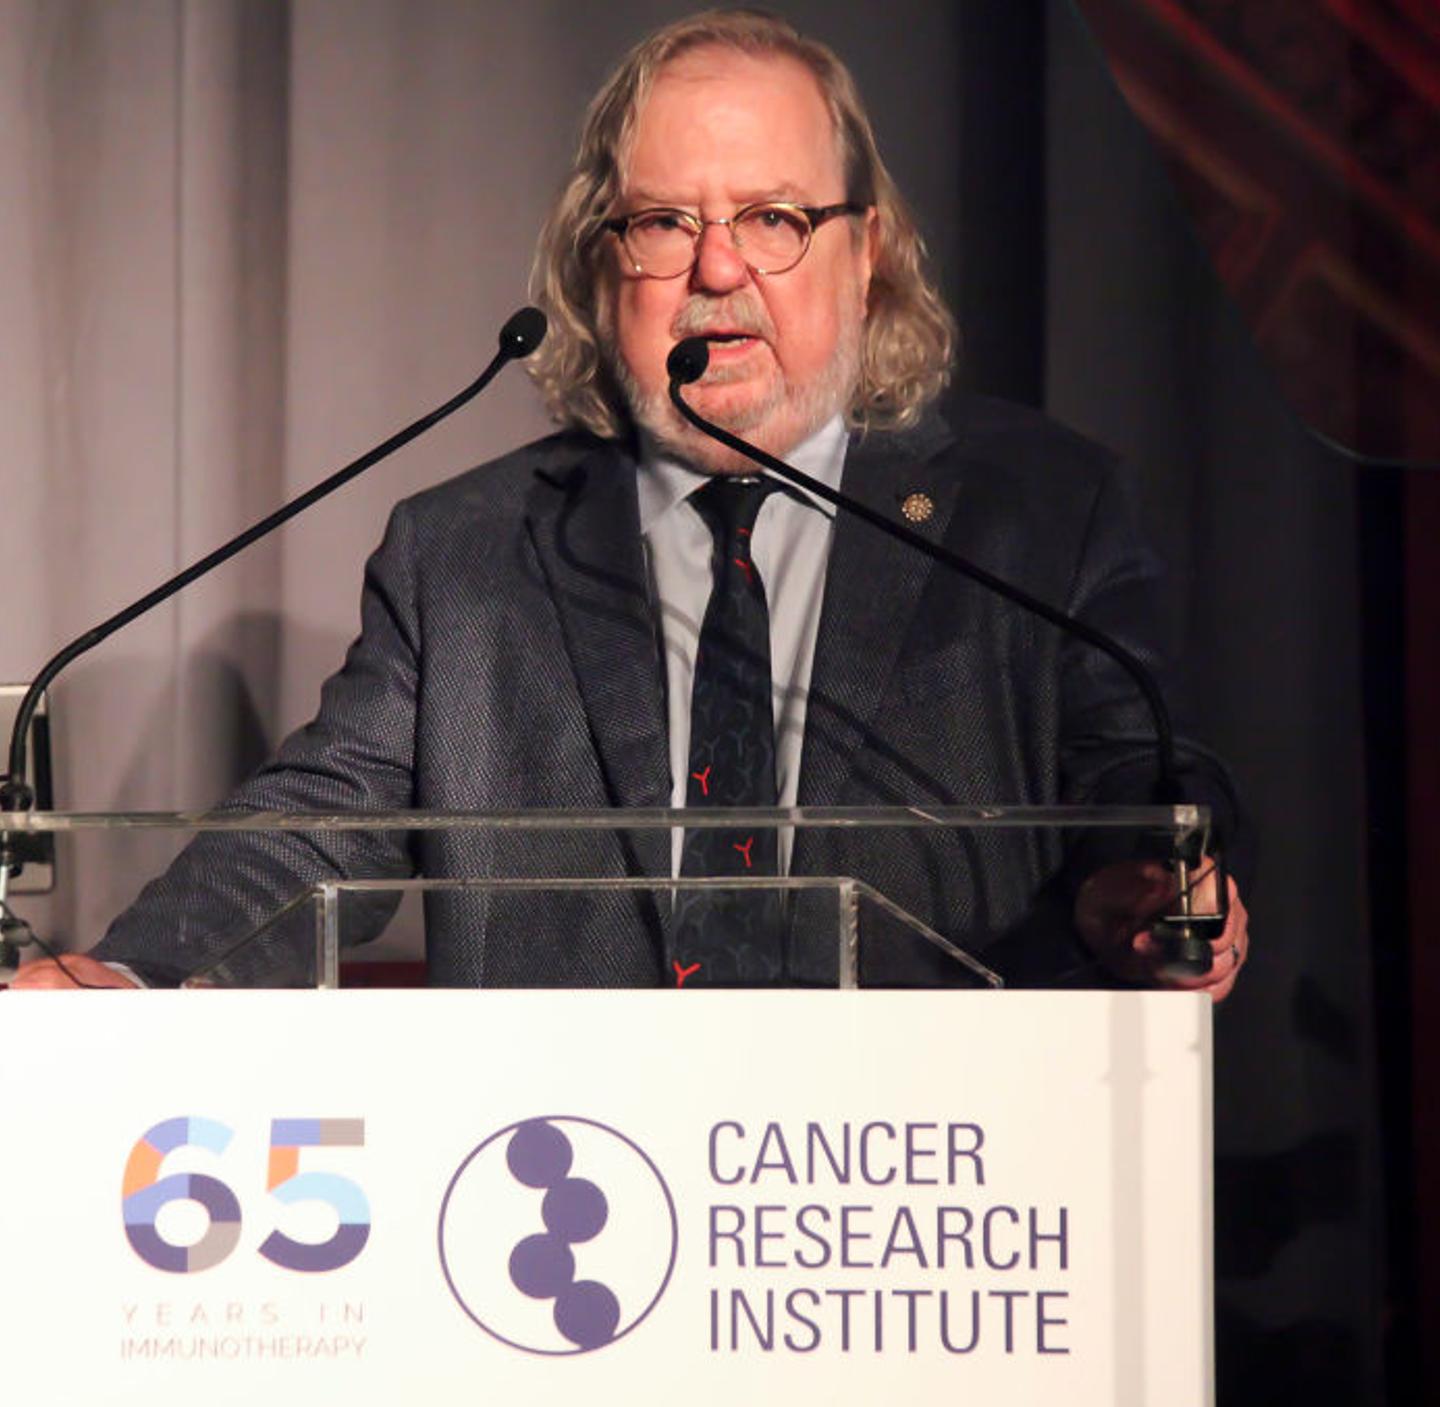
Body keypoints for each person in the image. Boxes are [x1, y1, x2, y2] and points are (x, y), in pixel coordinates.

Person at [11, 9, 1249, 994]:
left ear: (865, 256)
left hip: (927, 1216)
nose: (719, 270)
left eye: (774, 217)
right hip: (568, 1214)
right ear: (601, 267)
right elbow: (315, 830)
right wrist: (132, 976)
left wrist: (1145, 882)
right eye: (666, 221)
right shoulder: (468, 555)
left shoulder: (1037, 515)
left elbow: (1145, 779)